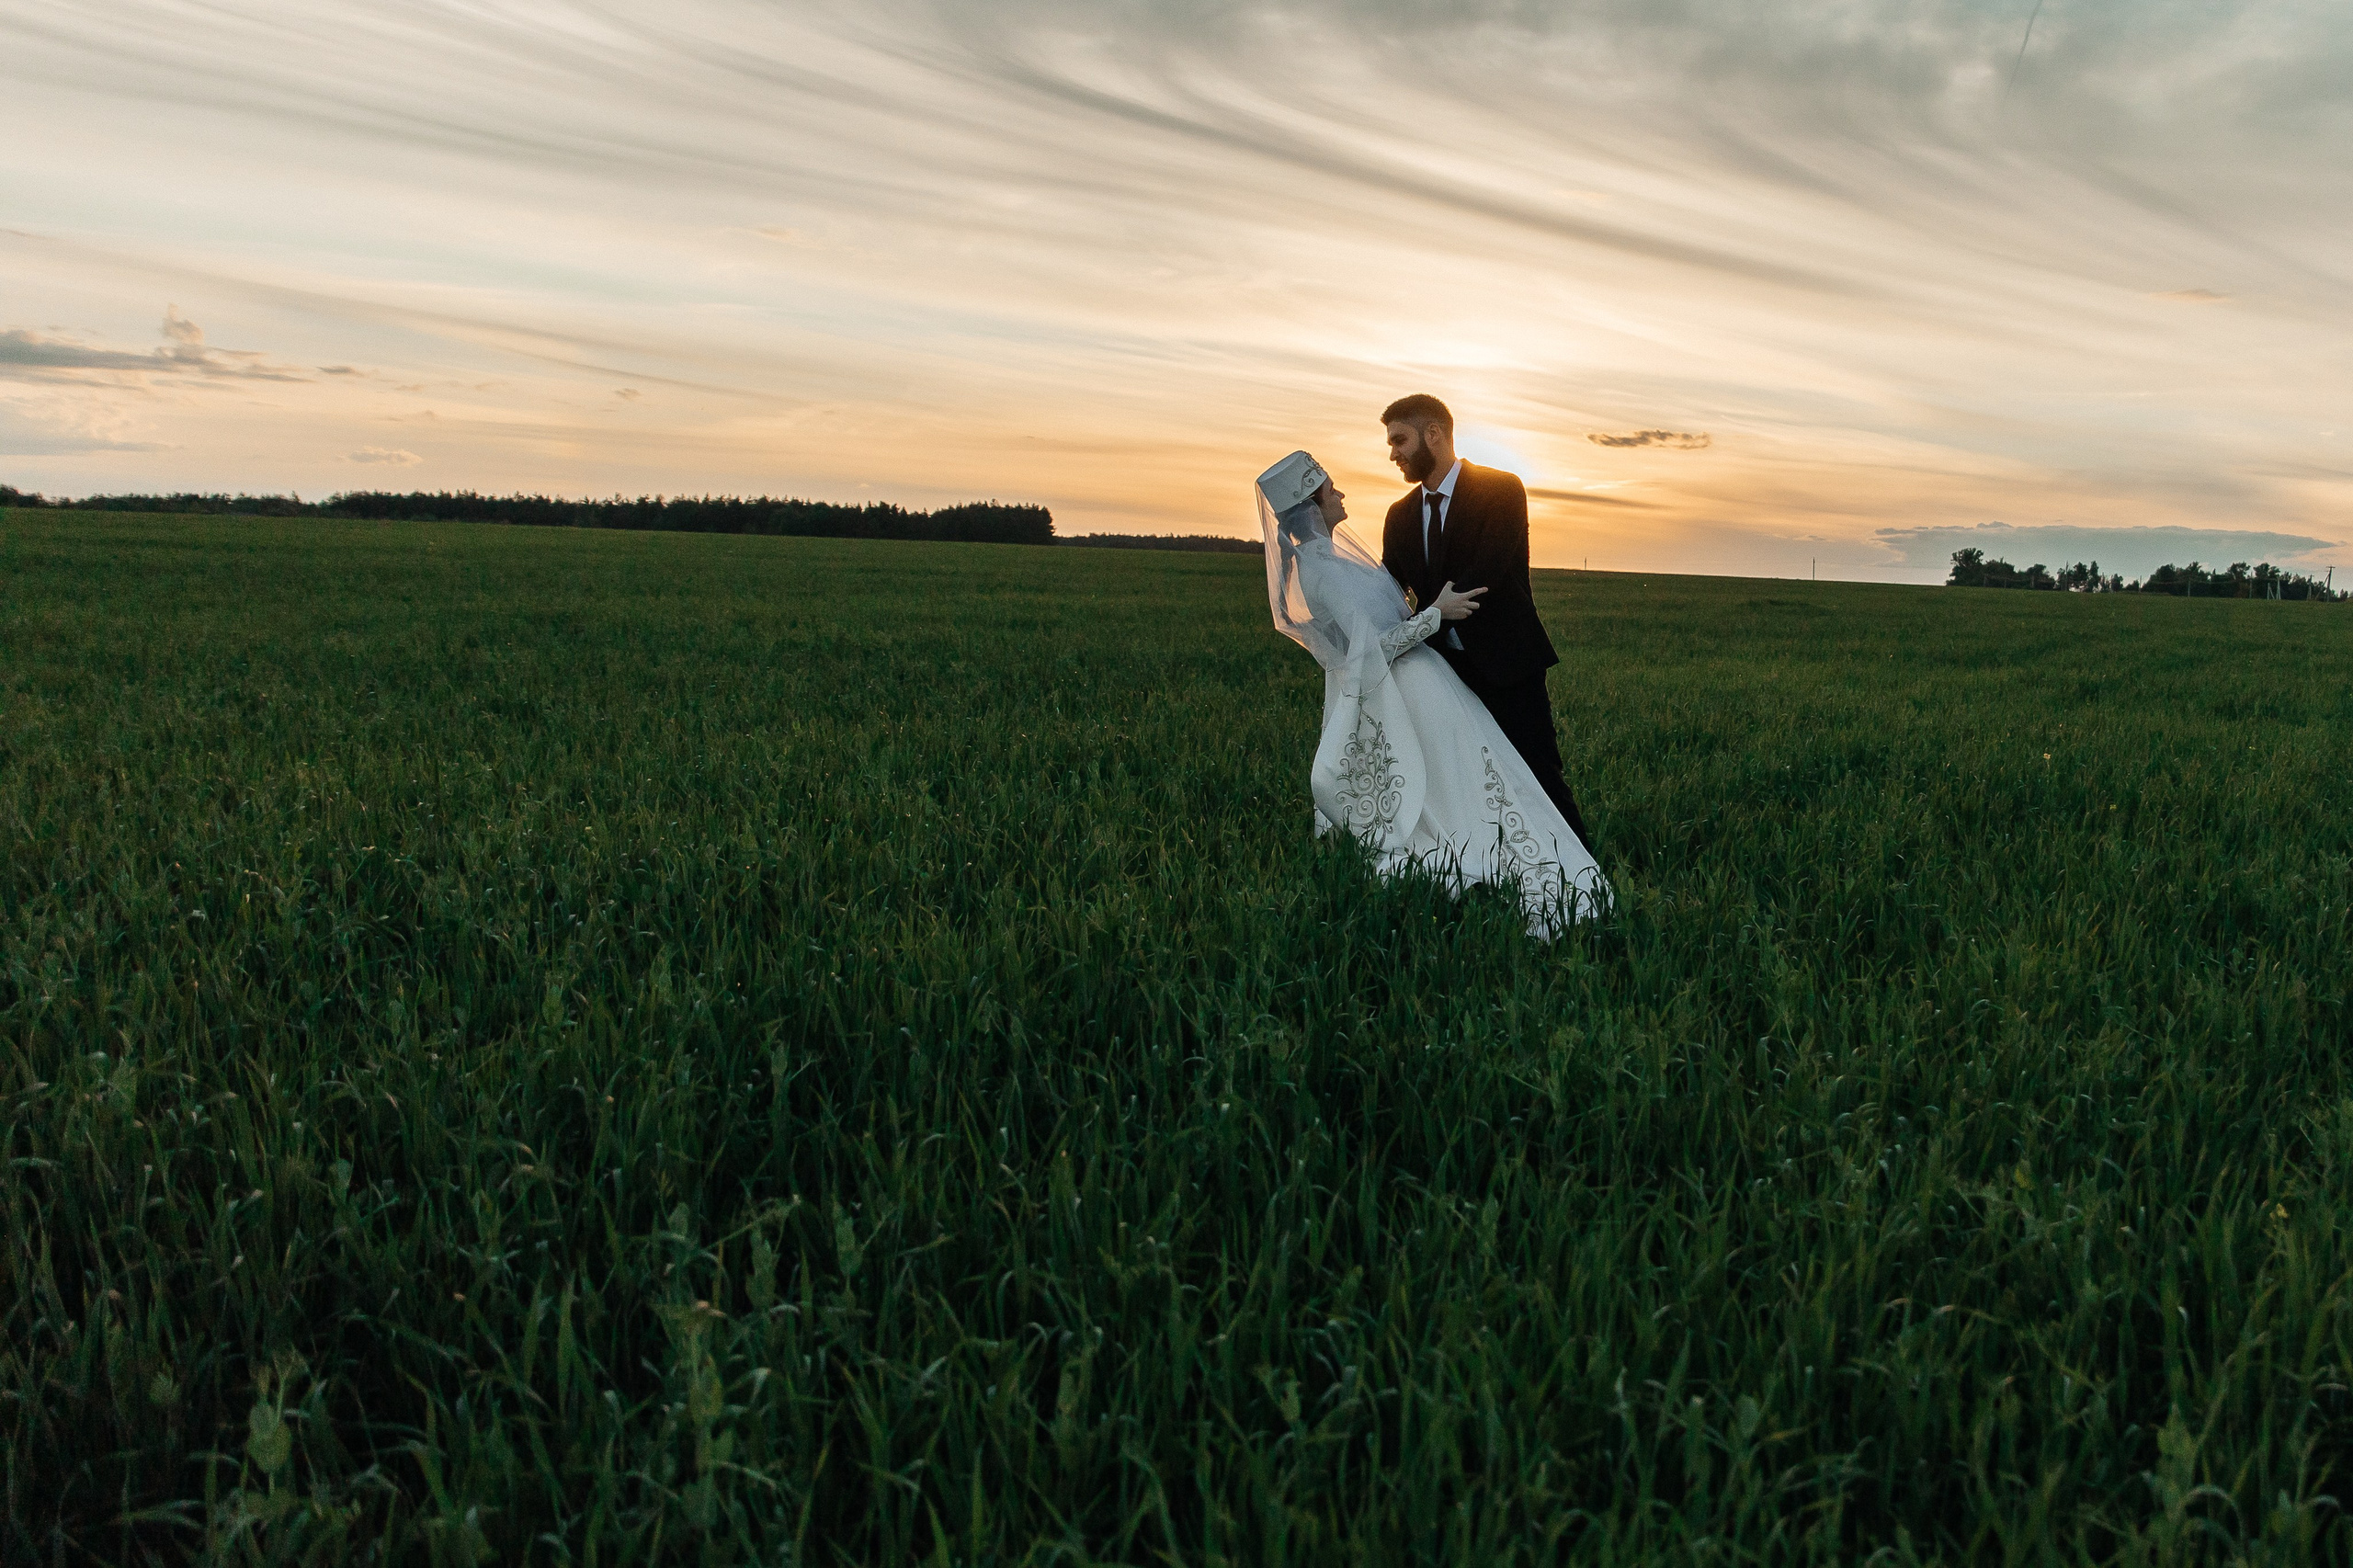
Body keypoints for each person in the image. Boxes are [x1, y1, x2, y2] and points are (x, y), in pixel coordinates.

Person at [1256, 449, 1609, 935]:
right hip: (1407, 686)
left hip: (1431, 678)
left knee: (1480, 773)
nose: (1340, 494)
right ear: (1311, 506)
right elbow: (1366, 653)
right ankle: (1484, 862)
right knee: (1449, 786)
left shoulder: (1339, 558)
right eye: (1330, 490)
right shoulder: (1318, 572)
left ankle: (1544, 847)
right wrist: (1435, 614)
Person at [1376, 394, 1590, 845]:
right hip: (1442, 674)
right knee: (1466, 782)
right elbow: (1387, 589)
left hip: (1509, 665)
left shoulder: (1502, 489)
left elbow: (1485, 573)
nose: (1392, 452)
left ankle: (1584, 882)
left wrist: (1429, 617)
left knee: (1540, 775)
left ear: (1434, 434)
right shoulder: (1398, 516)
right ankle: (1495, 873)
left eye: (1400, 440)